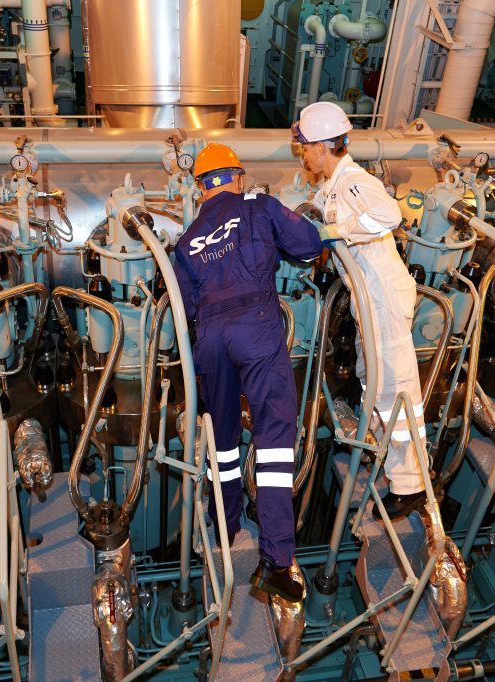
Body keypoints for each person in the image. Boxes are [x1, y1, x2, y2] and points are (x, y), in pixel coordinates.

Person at [173, 143, 323, 602]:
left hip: (210, 339)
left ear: (200, 187)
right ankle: (277, 560)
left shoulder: (186, 240)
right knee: (274, 442)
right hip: (256, 324)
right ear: (236, 176)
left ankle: (225, 525)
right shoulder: (257, 204)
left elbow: (185, 306)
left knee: (222, 443)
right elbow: (309, 245)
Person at [293, 101, 428, 520]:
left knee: (393, 387)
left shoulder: (354, 181)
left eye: (305, 147)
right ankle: (387, 454)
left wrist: (336, 231)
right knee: (376, 380)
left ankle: (411, 485)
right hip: (367, 298)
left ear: (321, 146)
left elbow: (389, 215)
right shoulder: (333, 186)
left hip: (382, 297)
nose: (303, 155)